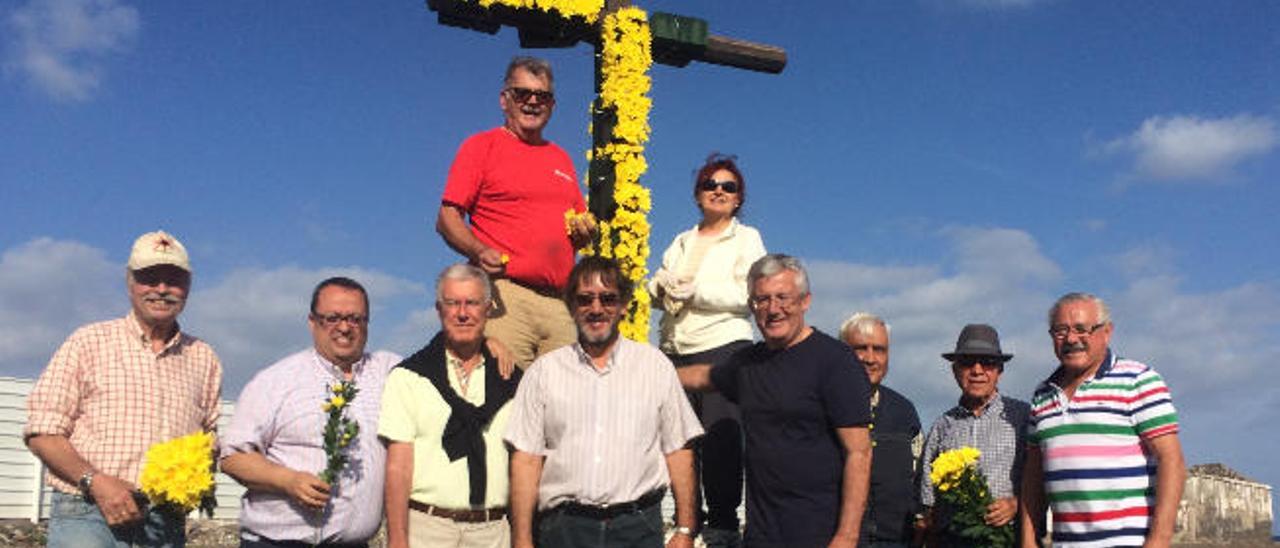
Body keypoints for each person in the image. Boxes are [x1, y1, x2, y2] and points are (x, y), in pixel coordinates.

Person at [25, 230, 223, 548]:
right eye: (150, 278)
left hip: (163, 520)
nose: (161, 289)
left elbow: (209, 440)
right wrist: (96, 481)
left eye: (173, 280)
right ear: (130, 282)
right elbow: (42, 433)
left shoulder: (204, 356)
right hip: (87, 511)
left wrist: (198, 484)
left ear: (187, 287)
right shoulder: (89, 341)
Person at [504, 256, 703, 548]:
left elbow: (678, 450)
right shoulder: (543, 373)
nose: (596, 309)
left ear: (623, 305)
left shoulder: (655, 366)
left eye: (608, 299)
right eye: (585, 299)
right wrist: (521, 538)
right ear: (571, 306)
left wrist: (685, 528)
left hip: (637, 527)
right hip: (564, 530)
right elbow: (526, 460)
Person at [679, 254, 873, 548]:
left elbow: (859, 453)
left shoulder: (834, 361)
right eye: (762, 300)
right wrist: (649, 370)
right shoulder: (748, 365)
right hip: (761, 536)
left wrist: (846, 536)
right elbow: (703, 376)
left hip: (821, 536)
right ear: (751, 307)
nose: (773, 309)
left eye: (783, 298)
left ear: (805, 301)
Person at [436, 55, 596, 368]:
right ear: (504, 100)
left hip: (560, 303)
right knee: (505, 401)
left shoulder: (561, 158)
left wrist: (584, 233)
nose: (533, 102)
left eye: (543, 96)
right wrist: (479, 250)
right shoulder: (481, 146)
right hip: (505, 297)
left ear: (552, 105)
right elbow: (446, 218)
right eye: (523, 93)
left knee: (560, 408)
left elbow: (574, 230)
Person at [220, 277, 401, 547]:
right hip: (277, 543)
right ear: (312, 322)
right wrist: (287, 480)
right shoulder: (275, 380)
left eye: (355, 319)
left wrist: (488, 343)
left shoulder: (389, 371)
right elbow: (233, 457)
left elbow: (441, 361)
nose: (344, 327)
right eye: (333, 318)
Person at [647, 153, 766, 547]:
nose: (718, 191)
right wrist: (658, 289)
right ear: (698, 194)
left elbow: (749, 294)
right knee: (678, 443)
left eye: (728, 186)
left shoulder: (746, 239)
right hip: (674, 349)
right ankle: (686, 524)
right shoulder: (682, 240)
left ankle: (722, 528)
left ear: (738, 199)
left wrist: (697, 291)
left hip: (723, 347)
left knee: (719, 442)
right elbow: (659, 288)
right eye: (710, 185)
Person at [1018, 293, 1185, 548]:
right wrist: (1028, 541)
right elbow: (1034, 474)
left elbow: (1171, 460)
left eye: (1082, 329)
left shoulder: (1138, 380)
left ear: (1106, 332)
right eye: (1061, 331)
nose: (1071, 339)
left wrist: (1159, 541)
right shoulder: (1042, 395)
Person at [379, 264, 521, 548]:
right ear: (438, 309)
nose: (463, 313)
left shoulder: (511, 380)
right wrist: (397, 539)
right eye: (453, 303)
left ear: (488, 309)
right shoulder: (409, 377)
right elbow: (398, 466)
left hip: (492, 532)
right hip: (427, 529)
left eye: (472, 303)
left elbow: (522, 463)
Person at [919, 323, 1030, 547]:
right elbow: (928, 504)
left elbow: (1045, 481)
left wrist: (1016, 504)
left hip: (1010, 540)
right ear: (955, 370)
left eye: (987, 363)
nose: (977, 370)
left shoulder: (1023, 418)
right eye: (967, 362)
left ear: (1000, 370)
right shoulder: (942, 426)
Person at [838, 313, 922, 548]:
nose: (870, 358)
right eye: (861, 348)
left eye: (879, 349)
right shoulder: (821, 408)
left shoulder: (905, 411)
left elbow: (920, 477)